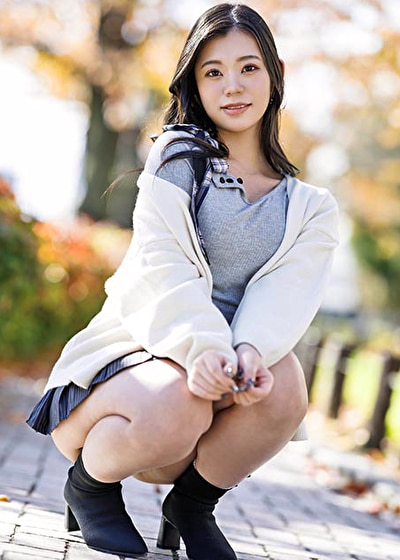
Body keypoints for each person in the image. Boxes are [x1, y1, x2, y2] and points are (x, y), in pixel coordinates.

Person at [26, 3, 339, 559]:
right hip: (129, 382)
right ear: (195, 83)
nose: (232, 86)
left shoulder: (310, 207)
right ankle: (89, 487)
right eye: (213, 72)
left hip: (214, 393)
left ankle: (191, 505)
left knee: (285, 381)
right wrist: (204, 349)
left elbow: (288, 294)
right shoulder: (178, 159)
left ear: (276, 75)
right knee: (181, 399)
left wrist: (246, 352)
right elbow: (162, 266)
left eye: (248, 68)